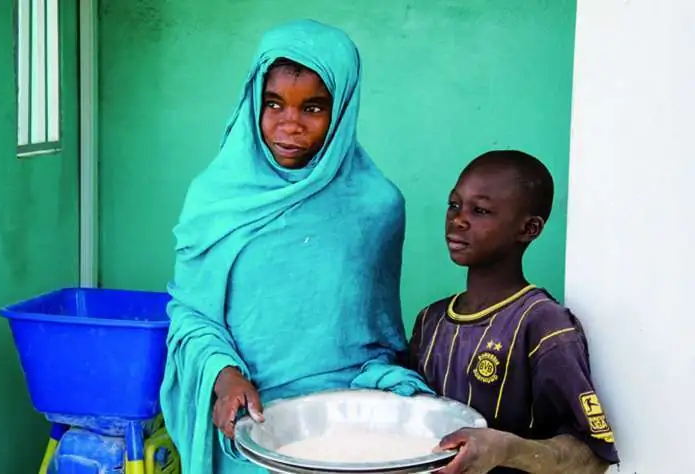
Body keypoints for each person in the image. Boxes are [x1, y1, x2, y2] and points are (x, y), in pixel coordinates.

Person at [159, 19, 432, 474]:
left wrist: (393, 390)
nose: (290, 124)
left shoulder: (377, 207)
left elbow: (376, 334)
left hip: (344, 427)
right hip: (250, 424)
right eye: (273, 104)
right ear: (253, 102)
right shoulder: (215, 199)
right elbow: (191, 313)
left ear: (342, 109)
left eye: (313, 108)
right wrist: (225, 377)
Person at [407, 150, 620, 474]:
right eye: (454, 204)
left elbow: (592, 456)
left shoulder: (543, 325)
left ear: (529, 228)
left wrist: (506, 449)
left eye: (480, 210)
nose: (458, 219)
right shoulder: (431, 320)